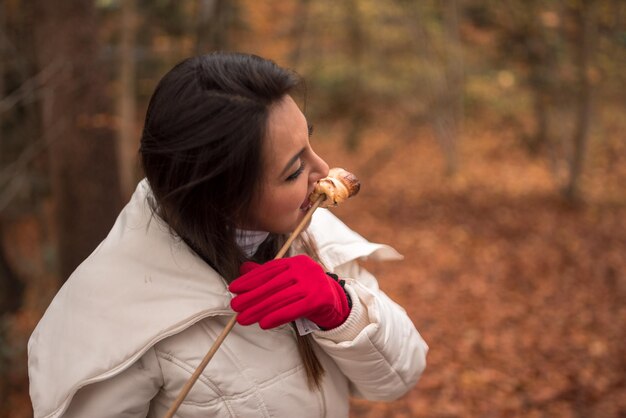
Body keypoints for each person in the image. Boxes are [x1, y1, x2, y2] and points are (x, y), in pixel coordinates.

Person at [28, 52, 428, 418]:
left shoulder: (312, 230)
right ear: (221, 197)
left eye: (310, 140)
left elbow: (397, 378)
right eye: (292, 172)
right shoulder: (110, 314)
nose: (323, 170)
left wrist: (343, 310)